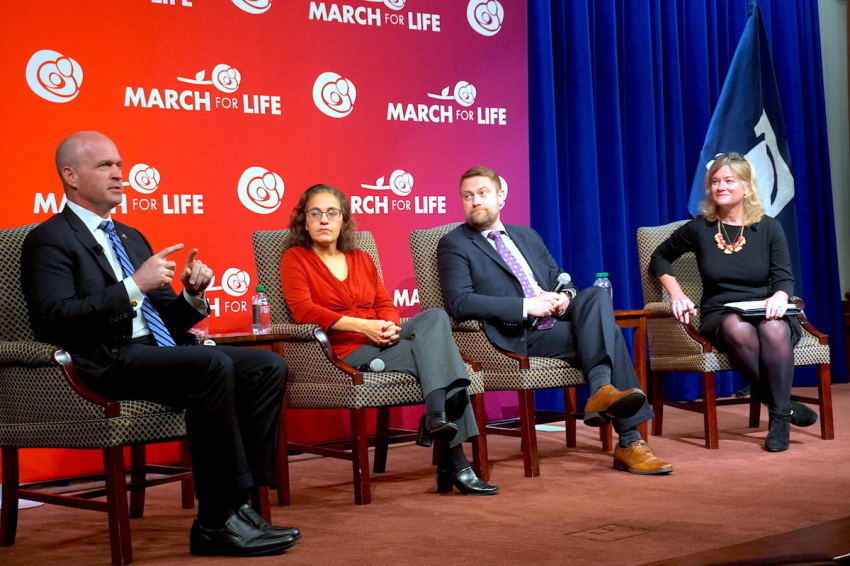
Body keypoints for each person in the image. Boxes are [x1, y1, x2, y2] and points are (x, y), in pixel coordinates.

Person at [22, 131, 299, 557]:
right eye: (105, 166)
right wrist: (133, 285)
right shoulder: (50, 239)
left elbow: (166, 317)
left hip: (151, 354)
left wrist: (191, 293)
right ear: (71, 176)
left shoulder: (131, 237)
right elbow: (54, 318)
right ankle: (214, 522)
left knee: (266, 368)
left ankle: (237, 503)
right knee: (209, 367)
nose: (118, 173)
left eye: (119, 163)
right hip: (103, 363)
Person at [437, 166, 673, 475]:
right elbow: (460, 302)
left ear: (500, 196)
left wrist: (565, 298)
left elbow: (557, 279)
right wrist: (525, 306)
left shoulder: (526, 235)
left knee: (594, 296)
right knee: (611, 334)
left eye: (482, 193)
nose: (475, 201)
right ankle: (628, 438)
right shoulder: (454, 243)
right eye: (467, 196)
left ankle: (606, 398)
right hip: (516, 333)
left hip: (554, 321)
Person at [280, 184, 498, 496]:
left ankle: (436, 416)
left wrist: (389, 327)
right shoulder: (296, 258)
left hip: (381, 339)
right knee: (445, 362)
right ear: (304, 221)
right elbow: (303, 311)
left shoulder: (360, 258)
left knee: (435, 316)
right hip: (345, 352)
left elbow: (384, 305)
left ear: (343, 220)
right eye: (315, 214)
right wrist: (365, 327)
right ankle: (458, 464)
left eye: (332, 213)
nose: (324, 220)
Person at [649, 152, 817, 452]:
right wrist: (676, 293)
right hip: (721, 311)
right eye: (715, 181)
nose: (720, 187)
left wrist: (780, 295)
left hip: (764, 305)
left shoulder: (768, 227)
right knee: (738, 330)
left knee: (774, 329)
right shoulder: (699, 228)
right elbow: (659, 257)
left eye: (729, 180)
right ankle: (783, 406)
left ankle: (778, 419)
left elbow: (784, 278)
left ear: (747, 187)